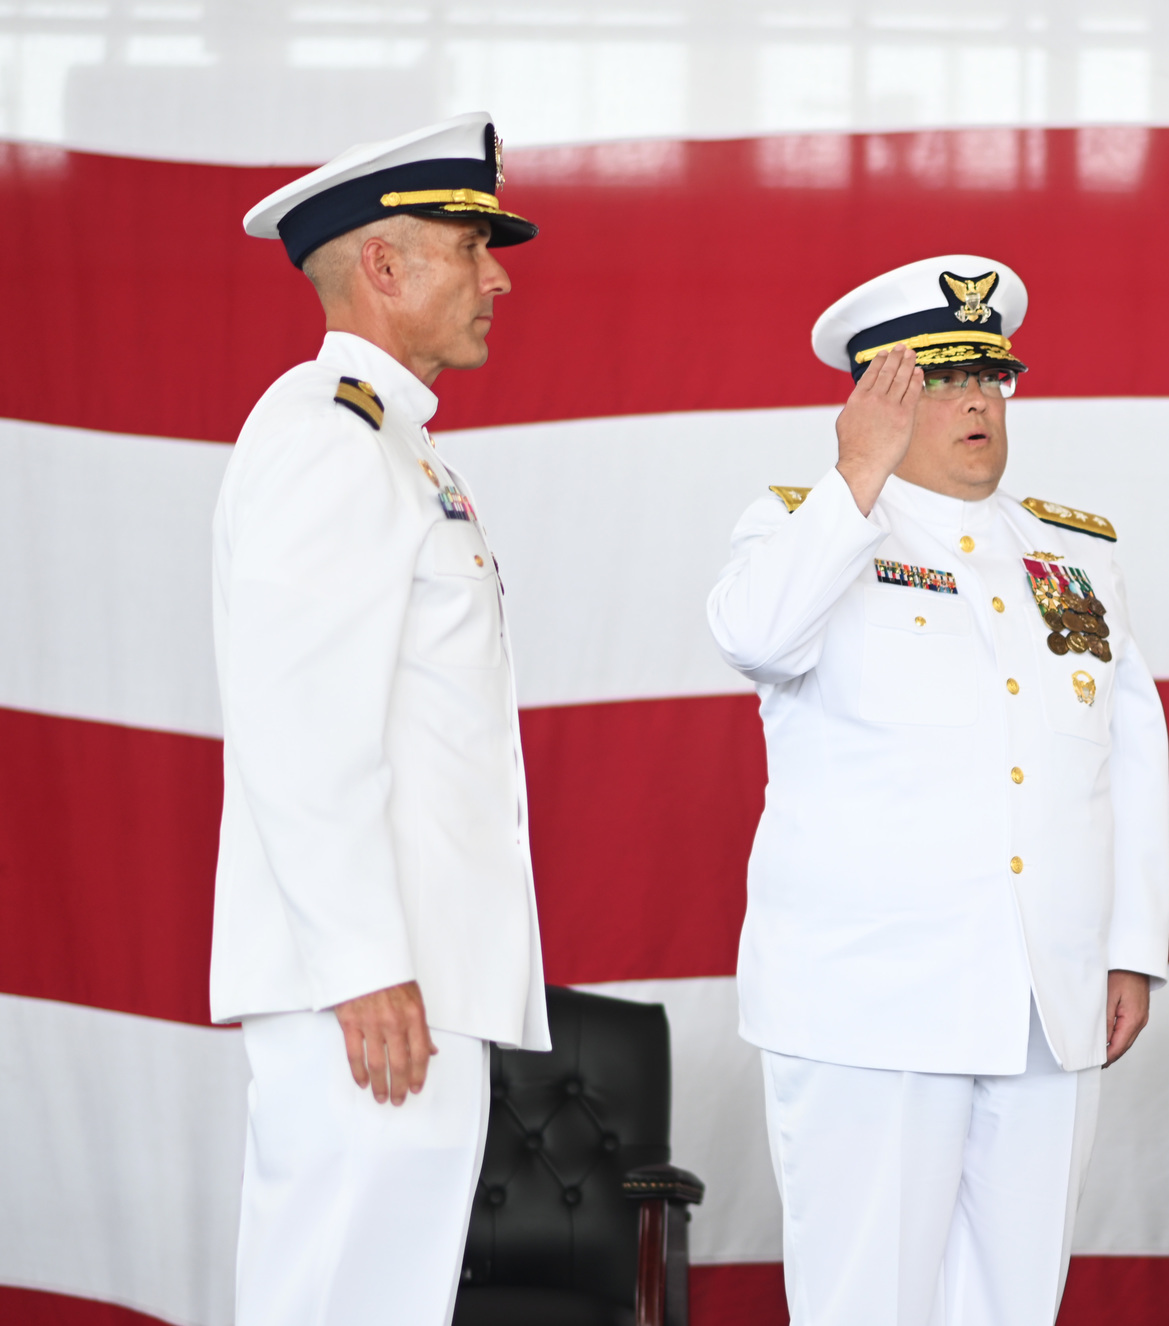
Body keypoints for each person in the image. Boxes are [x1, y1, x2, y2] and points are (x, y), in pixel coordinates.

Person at [707, 255, 1169, 1326]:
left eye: (993, 378)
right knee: (867, 1303)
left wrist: (1128, 948)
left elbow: (1125, 753)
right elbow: (753, 638)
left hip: (1042, 1001)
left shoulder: (1071, 554)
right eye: (945, 379)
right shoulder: (804, 529)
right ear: (881, 395)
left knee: (1013, 1305)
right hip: (871, 998)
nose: (978, 402)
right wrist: (852, 479)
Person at [212, 112, 548, 1326]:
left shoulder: (395, 447)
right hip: (364, 977)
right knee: (337, 1295)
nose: (498, 274)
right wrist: (363, 966)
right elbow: (299, 726)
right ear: (386, 267)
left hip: (410, 967)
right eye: (471, 247)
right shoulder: (327, 441)